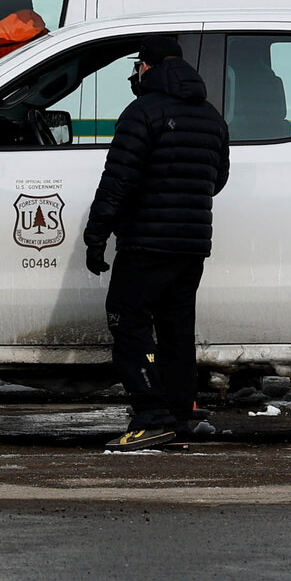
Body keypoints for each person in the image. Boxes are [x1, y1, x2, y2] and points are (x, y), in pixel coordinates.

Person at [83, 35, 231, 450]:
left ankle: (151, 414)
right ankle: (180, 413)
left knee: (127, 319)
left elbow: (118, 181)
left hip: (146, 242)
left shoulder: (142, 112)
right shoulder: (210, 115)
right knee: (176, 329)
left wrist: (96, 235)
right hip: (192, 244)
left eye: (137, 66)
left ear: (146, 66)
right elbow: (217, 178)